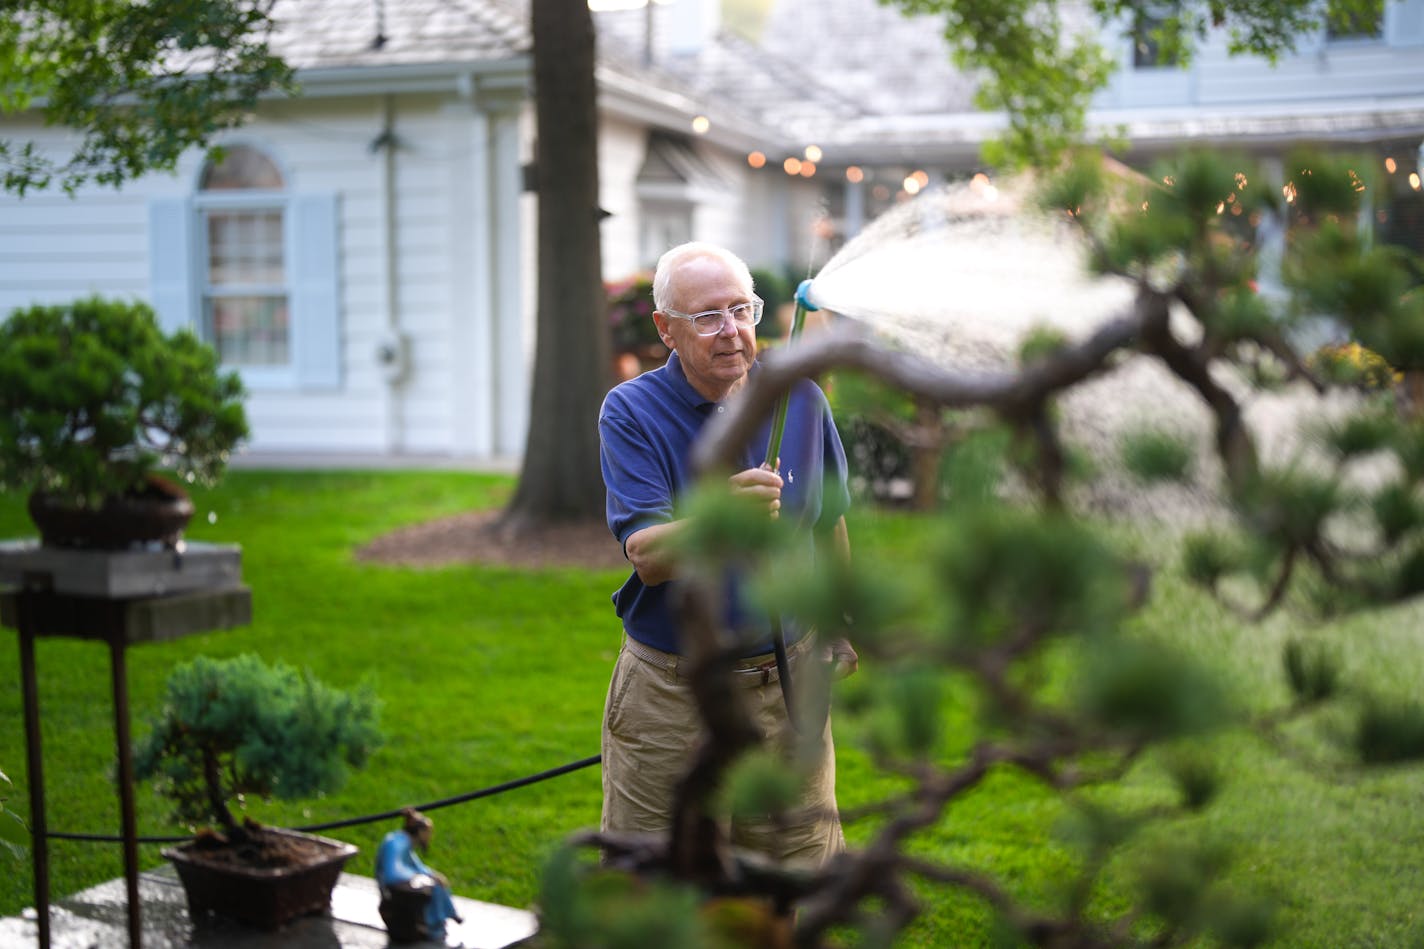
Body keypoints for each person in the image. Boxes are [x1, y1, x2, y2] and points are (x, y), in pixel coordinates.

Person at [598, 241, 858, 868]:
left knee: (788, 880)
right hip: (672, 694)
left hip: (785, 682)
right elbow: (647, 557)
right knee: (659, 887)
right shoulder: (631, 412)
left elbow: (828, 523)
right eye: (707, 316)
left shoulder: (799, 400)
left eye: (741, 310)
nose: (731, 331)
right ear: (665, 328)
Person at [375, 807, 462, 943]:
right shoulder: (397, 843)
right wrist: (418, 877)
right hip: (392, 887)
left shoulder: (405, 842)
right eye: (428, 832)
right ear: (420, 831)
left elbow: (416, 865)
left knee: (438, 883)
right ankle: (433, 924)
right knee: (433, 888)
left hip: (401, 882)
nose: (429, 836)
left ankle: (447, 915)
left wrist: (432, 874)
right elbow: (392, 873)